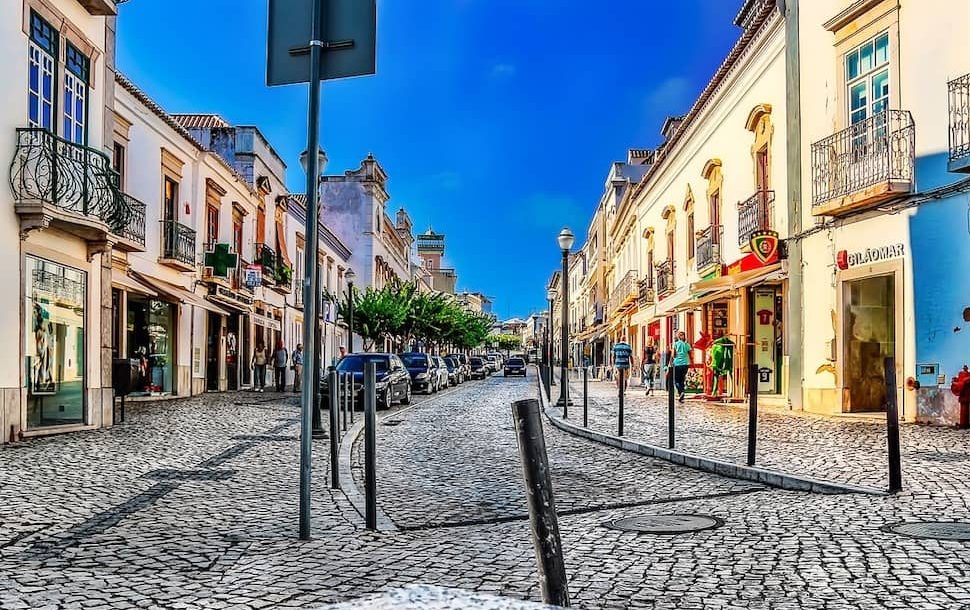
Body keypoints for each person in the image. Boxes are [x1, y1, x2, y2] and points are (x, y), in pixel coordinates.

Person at [671, 331, 692, 403]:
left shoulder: (676, 344)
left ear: (678, 337)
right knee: (682, 379)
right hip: (685, 364)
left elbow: (673, 355)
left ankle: (680, 392)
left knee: (676, 380)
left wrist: (673, 359)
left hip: (677, 364)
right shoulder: (687, 345)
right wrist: (692, 363)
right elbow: (690, 355)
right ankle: (682, 393)